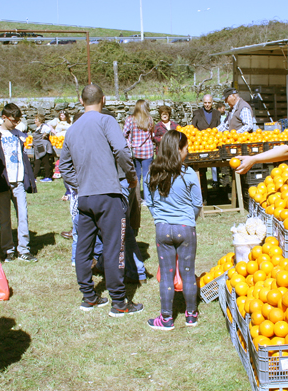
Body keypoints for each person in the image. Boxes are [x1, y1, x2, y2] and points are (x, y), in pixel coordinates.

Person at [60, 83, 143, 316]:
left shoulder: (72, 128)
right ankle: (119, 302)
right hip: (108, 195)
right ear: (103, 100)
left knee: (83, 247)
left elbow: (64, 166)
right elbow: (122, 150)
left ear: (81, 100)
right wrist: (131, 175)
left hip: (84, 198)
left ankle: (89, 296)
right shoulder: (106, 121)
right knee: (114, 246)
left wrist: (80, 184)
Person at [143, 130, 203, 330]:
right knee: (188, 273)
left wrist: (160, 219)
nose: (188, 152)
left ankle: (166, 318)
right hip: (185, 229)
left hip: (163, 229)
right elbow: (197, 203)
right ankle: (191, 315)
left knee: (167, 275)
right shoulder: (189, 175)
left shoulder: (152, 172)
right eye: (186, 148)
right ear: (178, 150)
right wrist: (188, 220)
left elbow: (149, 202)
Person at [0, 103, 37, 263]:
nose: (16, 123)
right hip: (3, 182)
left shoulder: (19, 134)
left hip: (18, 181)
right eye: (13, 120)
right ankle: (8, 250)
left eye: (18, 120)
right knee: (4, 218)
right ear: (4, 117)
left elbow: (26, 156)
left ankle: (24, 249)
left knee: (23, 216)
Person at [122, 100, 155, 194]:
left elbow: (124, 134)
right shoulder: (149, 119)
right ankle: (147, 196)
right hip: (147, 151)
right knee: (146, 175)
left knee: (136, 175)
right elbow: (152, 135)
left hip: (134, 151)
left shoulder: (130, 119)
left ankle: (136, 196)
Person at [31, 114, 55, 183]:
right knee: (37, 162)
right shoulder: (37, 128)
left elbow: (49, 129)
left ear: (40, 121)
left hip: (43, 147)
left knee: (45, 162)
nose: (35, 121)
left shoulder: (44, 126)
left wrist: (45, 134)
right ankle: (34, 177)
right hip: (38, 147)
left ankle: (48, 177)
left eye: (36, 120)